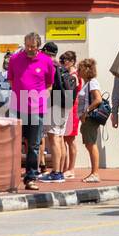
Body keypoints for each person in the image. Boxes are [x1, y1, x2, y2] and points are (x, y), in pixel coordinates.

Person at [7, 32, 54, 190]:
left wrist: (41, 98)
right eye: (27, 46)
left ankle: (30, 178)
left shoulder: (46, 61)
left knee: (34, 145)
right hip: (17, 107)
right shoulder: (15, 59)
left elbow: (49, 84)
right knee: (14, 143)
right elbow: (12, 80)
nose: (29, 49)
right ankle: (10, 178)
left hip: (36, 109)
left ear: (38, 46)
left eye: (33, 47)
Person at [38, 42, 70, 182]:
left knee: (53, 139)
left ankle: (56, 172)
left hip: (54, 104)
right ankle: (60, 171)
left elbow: (47, 86)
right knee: (60, 138)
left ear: (45, 52)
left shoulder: (49, 65)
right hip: (64, 103)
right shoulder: (60, 66)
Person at [75, 58, 105, 183]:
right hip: (86, 119)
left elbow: (98, 99)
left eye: (80, 69)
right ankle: (94, 172)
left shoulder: (92, 83)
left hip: (89, 118)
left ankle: (95, 173)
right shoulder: (87, 83)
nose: (77, 71)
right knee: (89, 144)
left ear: (86, 70)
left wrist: (86, 112)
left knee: (91, 144)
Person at [59, 51, 80, 179]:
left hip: (73, 108)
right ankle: (66, 167)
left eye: (66, 60)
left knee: (70, 139)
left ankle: (71, 168)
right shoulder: (68, 74)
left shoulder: (74, 75)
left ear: (72, 61)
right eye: (63, 60)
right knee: (65, 139)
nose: (64, 62)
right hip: (69, 107)